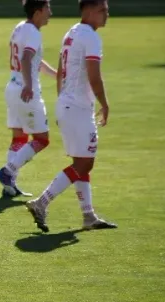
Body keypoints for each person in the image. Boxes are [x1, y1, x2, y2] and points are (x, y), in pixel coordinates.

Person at [25, 0, 117, 232]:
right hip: (77, 107)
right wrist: (104, 103)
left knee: (82, 163)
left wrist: (61, 101)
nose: (107, 14)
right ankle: (41, 202)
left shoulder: (72, 33)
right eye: (102, 10)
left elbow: (60, 72)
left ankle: (88, 216)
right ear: (87, 11)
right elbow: (94, 76)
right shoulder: (90, 37)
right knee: (85, 162)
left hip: (68, 104)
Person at [0, 0, 57, 198]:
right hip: (25, 91)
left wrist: (55, 75)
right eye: (48, 8)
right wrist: (29, 85)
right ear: (38, 11)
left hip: (12, 87)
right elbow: (26, 59)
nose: (51, 13)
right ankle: (8, 171)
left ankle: (9, 186)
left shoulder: (21, 27)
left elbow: (33, 59)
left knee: (19, 137)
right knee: (42, 139)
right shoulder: (33, 32)